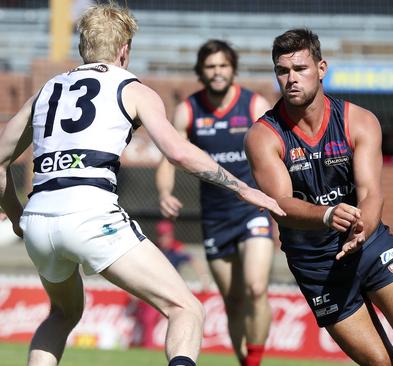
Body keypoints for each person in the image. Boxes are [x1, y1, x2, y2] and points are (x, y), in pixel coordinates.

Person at [0, 4, 284, 366]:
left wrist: (18, 217)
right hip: (89, 213)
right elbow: (178, 152)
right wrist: (243, 188)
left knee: (60, 314)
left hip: (41, 217)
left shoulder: (45, 91)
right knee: (186, 308)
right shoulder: (132, 87)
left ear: (83, 46)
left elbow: (1, 162)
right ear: (124, 49)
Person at [245, 28, 393, 366]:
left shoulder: (358, 120)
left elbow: (371, 191)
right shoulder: (263, 135)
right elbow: (280, 205)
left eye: (300, 69)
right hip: (315, 262)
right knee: (381, 363)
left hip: (369, 243)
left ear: (321, 68)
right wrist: (327, 215)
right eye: (282, 71)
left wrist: (364, 227)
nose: (291, 79)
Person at [155, 39, 275, 366]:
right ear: (201, 71)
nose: (217, 72)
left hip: (252, 209)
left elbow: (277, 146)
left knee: (255, 288)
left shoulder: (253, 104)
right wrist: (165, 193)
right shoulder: (188, 110)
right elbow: (169, 158)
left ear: (233, 68)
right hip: (215, 218)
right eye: (210, 66)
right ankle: (244, 361)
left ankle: (255, 362)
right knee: (233, 301)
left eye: (223, 65)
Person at [132, 219, 212, 349]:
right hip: (154, 288)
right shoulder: (154, 247)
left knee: (184, 315)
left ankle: (181, 347)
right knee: (147, 317)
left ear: (170, 235)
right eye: (160, 235)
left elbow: (195, 262)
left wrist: (204, 279)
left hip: (172, 290)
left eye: (165, 235)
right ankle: (148, 345)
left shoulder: (177, 248)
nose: (162, 238)